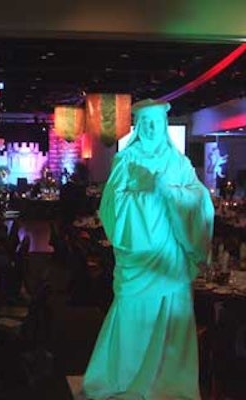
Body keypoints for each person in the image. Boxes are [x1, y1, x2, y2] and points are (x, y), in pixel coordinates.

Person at [82, 99, 214, 400]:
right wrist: (147, 194)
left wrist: (169, 191)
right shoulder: (126, 161)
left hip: (170, 258)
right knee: (133, 318)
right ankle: (125, 379)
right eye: (146, 123)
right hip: (138, 257)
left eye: (157, 123)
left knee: (171, 321)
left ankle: (169, 383)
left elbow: (199, 199)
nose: (152, 128)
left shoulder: (177, 162)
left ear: (165, 126)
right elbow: (111, 207)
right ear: (139, 127)